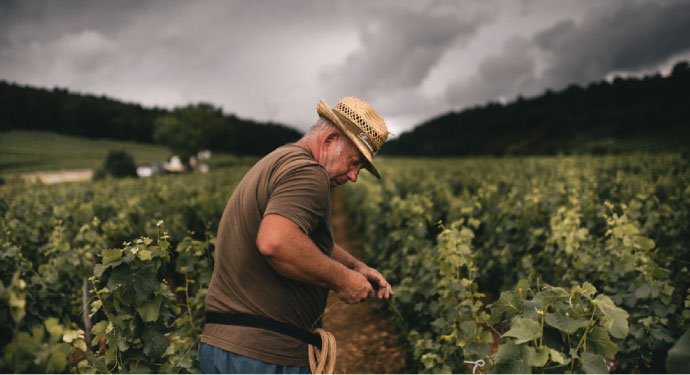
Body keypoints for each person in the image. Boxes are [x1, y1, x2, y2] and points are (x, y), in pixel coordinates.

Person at [200, 97, 394, 373]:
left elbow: (303, 239)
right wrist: (343, 280)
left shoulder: (281, 161)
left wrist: (356, 267)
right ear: (329, 140)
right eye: (354, 162)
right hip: (263, 357)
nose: (353, 177)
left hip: (229, 350)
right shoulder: (309, 173)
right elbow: (276, 242)